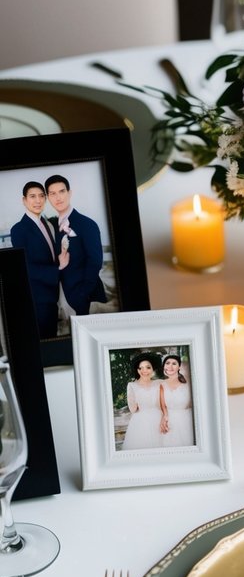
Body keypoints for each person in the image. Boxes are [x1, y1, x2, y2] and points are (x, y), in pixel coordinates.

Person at [9, 180, 69, 339]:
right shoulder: (19, 229)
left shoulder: (48, 224)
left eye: (41, 196)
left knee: (52, 337)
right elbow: (26, 266)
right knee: (44, 342)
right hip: (37, 298)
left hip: (52, 295)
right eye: (32, 196)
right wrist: (58, 269)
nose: (38, 200)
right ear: (24, 200)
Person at [44, 173, 107, 321]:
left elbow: (95, 261)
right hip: (65, 297)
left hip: (87, 298)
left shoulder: (87, 224)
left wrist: (82, 293)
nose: (58, 197)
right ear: (48, 198)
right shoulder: (52, 227)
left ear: (69, 193)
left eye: (62, 191)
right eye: (52, 193)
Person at [121, 353, 168, 451]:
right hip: (140, 421)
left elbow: (164, 403)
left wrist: (165, 417)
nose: (144, 371)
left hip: (158, 419)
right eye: (140, 368)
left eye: (147, 367)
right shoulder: (132, 385)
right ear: (137, 370)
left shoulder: (159, 383)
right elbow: (133, 409)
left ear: (152, 369)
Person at [159, 353, 195, 448]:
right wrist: (165, 416)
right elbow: (163, 405)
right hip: (170, 420)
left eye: (174, 363)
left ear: (179, 367)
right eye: (167, 363)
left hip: (186, 419)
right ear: (164, 366)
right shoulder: (161, 385)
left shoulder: (187, 383)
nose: (170, 366)